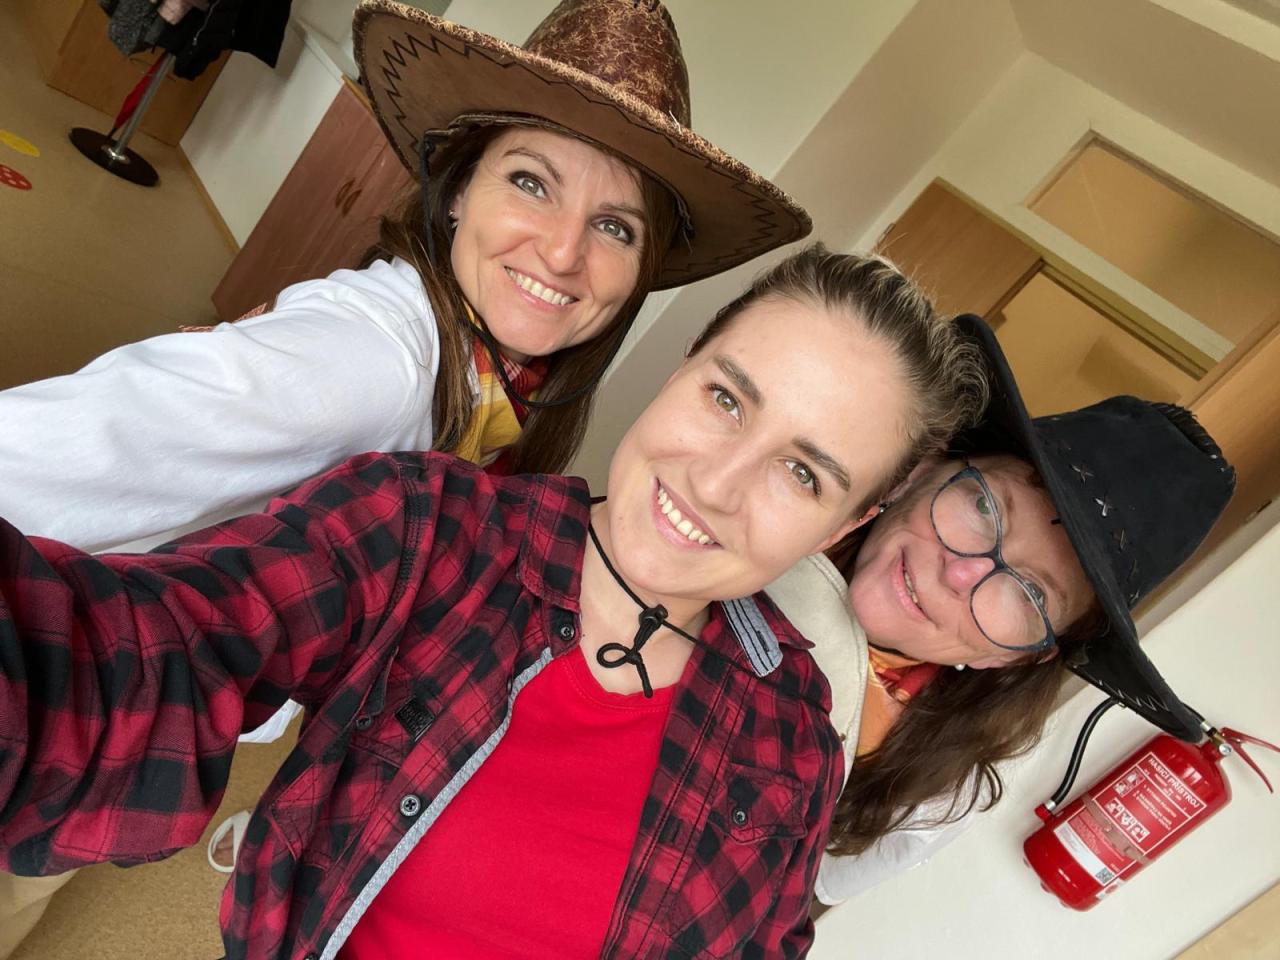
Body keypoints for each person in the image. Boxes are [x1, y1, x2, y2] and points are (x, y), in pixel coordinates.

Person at [0, 2, 810, 950]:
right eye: (531, 182)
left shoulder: (493, 385)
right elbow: (53, 445)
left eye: (615, 227)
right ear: (458, 187)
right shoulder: (369, 364)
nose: (563, 253)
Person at [0, 246, 986, 959]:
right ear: (682, 365)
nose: (717, 483)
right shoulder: (430, 530)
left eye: (802, 474)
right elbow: (151, 654)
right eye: (725, 399)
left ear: (840, 527)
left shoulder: (793, 729)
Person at [787, 313, 1236, 904]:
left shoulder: (940, 791)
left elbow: (812, 893)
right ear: (925, 472)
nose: (962, 573)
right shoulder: (746, 514)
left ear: (1015, 657)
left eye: (1028, 593)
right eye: (985, 508)